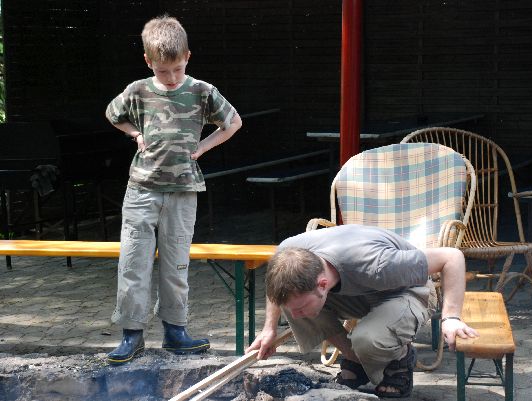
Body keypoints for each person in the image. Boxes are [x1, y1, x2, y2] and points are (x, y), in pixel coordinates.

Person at [105, 15, 242, 365]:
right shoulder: (137, 90)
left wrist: (202, 147)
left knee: (176, 263)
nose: (171, 77)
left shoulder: (201, 91)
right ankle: (131, 335)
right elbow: (112, 113)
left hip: (183, 191)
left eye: (177, 69)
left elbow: (233, 122)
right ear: (149, 62)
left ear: (188, 57)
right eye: (163, 71)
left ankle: (175, 331)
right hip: (142, 190)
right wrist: (134, 135)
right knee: (134, 261)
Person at [247, 224, 478, 398]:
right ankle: (355, 360)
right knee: (295, 307)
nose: (294, 318)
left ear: (322, 284)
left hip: (407, 292)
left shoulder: (377, 263)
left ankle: (400, 361)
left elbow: (452, 257)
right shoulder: (288, 252)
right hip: (360, 293)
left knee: (366, 339)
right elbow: (276, 288)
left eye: (301, 306)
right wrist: (269, 329)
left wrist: (451, 317)